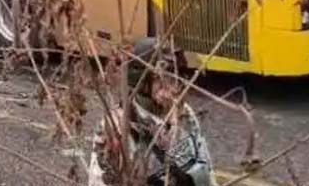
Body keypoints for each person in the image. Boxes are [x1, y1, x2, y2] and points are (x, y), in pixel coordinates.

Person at [89, 38, 217, 186]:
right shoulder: (117, 126)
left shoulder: (184, 112)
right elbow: (99, 181)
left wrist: (191, 179)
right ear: (141, 80)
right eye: (162, 77)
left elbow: (206, 169)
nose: (174, 85)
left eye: (177, 76)